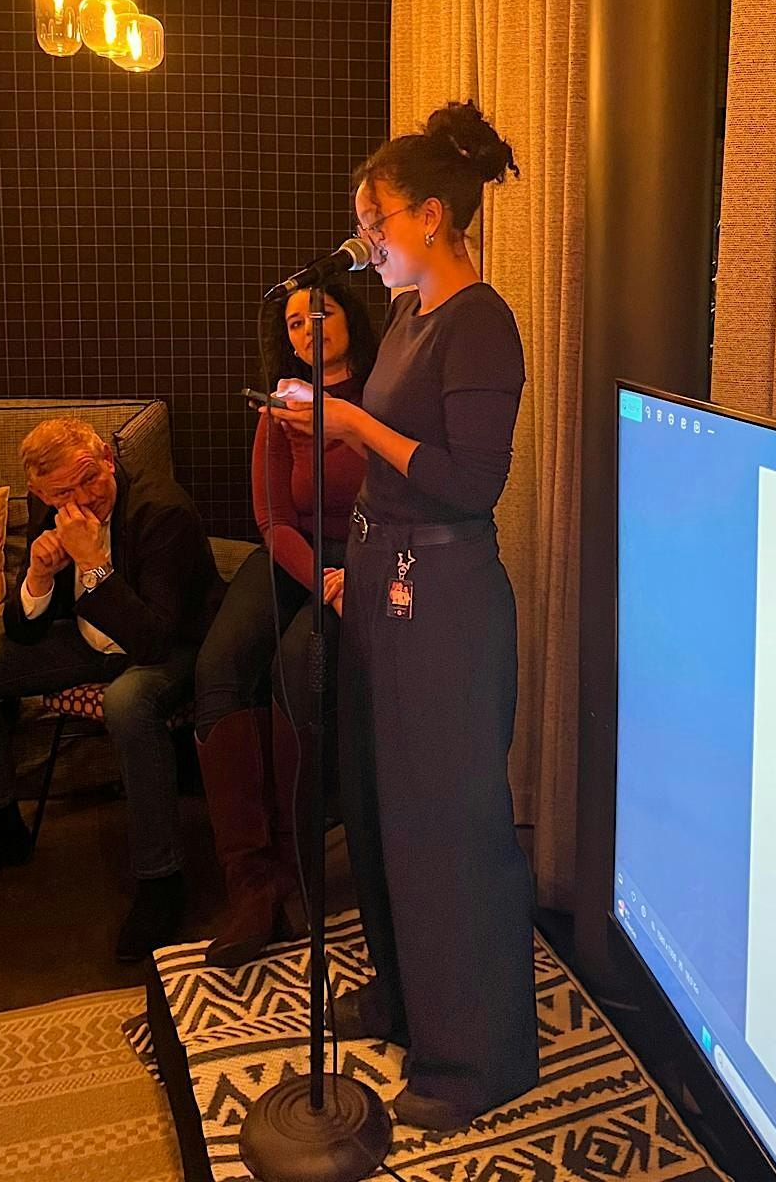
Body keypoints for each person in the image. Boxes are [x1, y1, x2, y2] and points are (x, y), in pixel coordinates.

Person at [273, 100, 538, 1132]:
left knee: (448, 823)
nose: (365, 242)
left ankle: (476, 1059)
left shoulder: (481, 322)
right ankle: (405, 998)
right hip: (383, 577)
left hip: (447, 597)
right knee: (381, 801)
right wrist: (324, 421)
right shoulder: (409, 316)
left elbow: (471, 482)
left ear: (432, 215)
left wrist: (349, 423)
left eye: (374, 221)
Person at [0, 417, 224, 962]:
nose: (83, 499)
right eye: (63, 493)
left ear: (108, 459)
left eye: (90, 478)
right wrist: (39, 579)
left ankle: (161, 879)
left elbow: (154, 640)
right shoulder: (52, 507)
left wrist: (92, 563)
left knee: (128, 703)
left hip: (173, 647)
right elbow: (24, 631)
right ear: (41, 493)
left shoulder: (163, 510)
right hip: (88, 638)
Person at [194, 279, 377, 968]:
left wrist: (344, 578)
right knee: (217, 669)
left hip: (362, 557)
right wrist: (318, 579)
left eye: (321, 313)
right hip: (294, 556)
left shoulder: (383, 396)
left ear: (352, 318)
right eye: (296, 323)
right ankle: (253, 885)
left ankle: (298, 870)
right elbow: (273, 518)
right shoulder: (279, 406)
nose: (308, 328)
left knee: (294, 671)